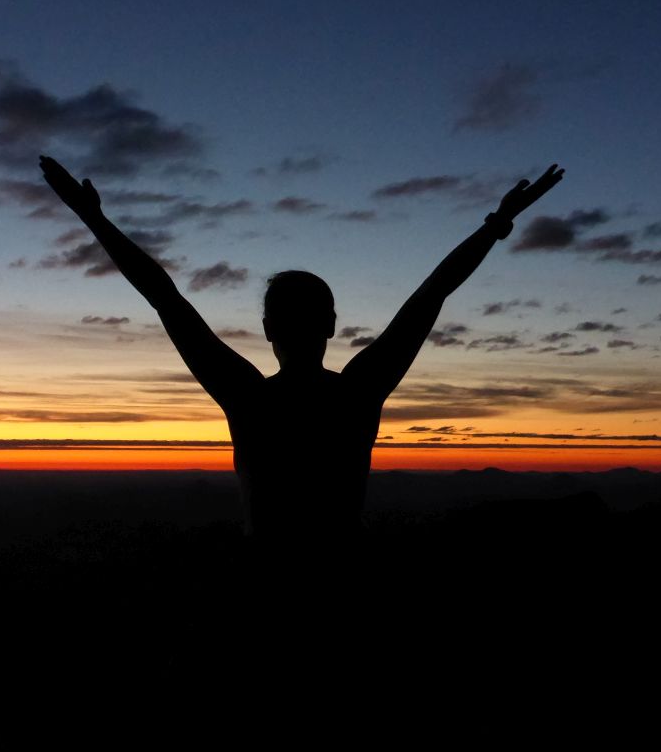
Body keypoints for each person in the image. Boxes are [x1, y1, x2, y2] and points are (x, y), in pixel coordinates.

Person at [39, 155, 564, 551]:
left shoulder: (248, 397)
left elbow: (163, 296)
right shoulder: (358, 391)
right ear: (333, 325)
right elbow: (432, 293)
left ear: (267, 330)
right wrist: (496, 224)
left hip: (265, 590)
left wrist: (94, 220)